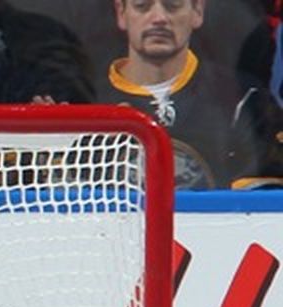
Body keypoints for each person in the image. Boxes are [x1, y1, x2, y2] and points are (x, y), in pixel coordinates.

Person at [94, 0, 274, 189]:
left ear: (197, 11)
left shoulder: (245, 100)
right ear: (121, 13)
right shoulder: (88, 102)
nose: (159, 18)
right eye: (142, 6)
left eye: (172, 6)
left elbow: (265, 207)